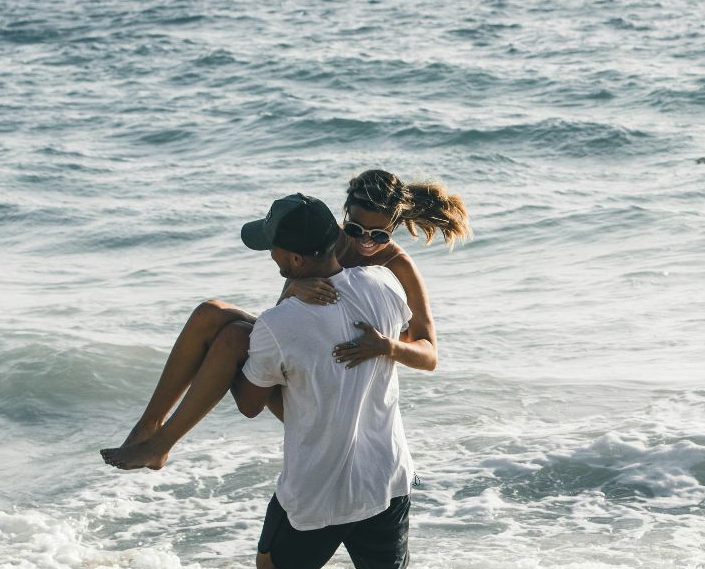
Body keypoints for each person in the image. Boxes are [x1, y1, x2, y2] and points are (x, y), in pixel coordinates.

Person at [225, 192, 432, 569]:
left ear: (292, 260)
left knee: (273, 568)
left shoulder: (277, 323)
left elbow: (249, 402)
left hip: (315, 487)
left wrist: (237, 346)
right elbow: (420, 345)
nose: (271, 256)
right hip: (383, 477)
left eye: (273, 250)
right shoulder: (386, 290)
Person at [100, 169, 467, 471]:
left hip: (336, 396)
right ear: (344, 217)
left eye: (379, 235)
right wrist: (294, 290)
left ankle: (161, 444)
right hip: (303, 362)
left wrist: (387, 346)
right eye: (355, 230)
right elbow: (283, 315)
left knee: (232, 337)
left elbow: (430, 354)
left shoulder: (398, 267)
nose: (364, 243)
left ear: (395, 227)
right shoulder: (326, 243)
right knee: (209, 313)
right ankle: (149, 428)